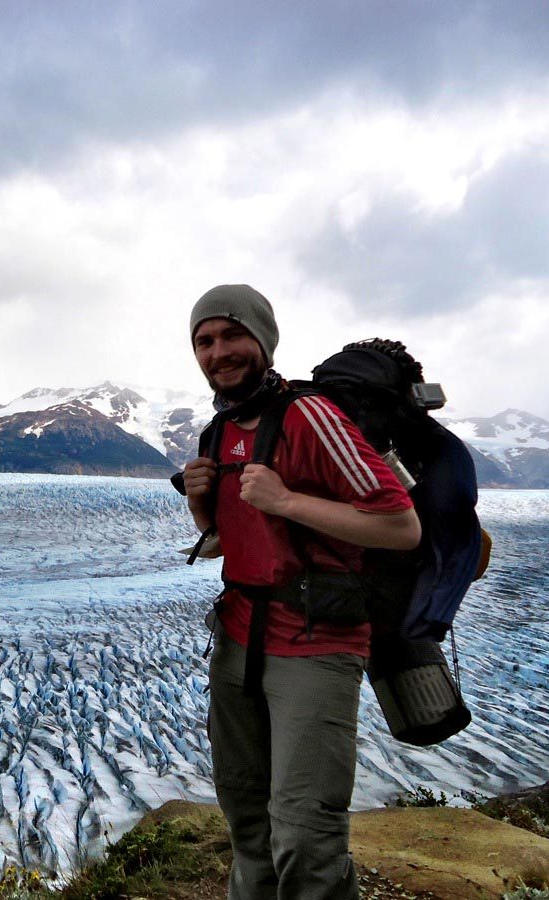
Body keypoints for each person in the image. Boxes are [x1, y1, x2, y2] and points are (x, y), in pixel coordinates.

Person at [180, 284, 421, 900]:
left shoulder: (310, 416)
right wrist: (203, 504)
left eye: (232, 335)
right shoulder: (220, 431)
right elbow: (228, 540)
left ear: (263, 339)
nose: (218, 351)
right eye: (204, 341)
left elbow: (400, 526)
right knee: (247, 819)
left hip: (317, 645)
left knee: (307, 835)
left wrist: (287, 499)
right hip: (237, 642)